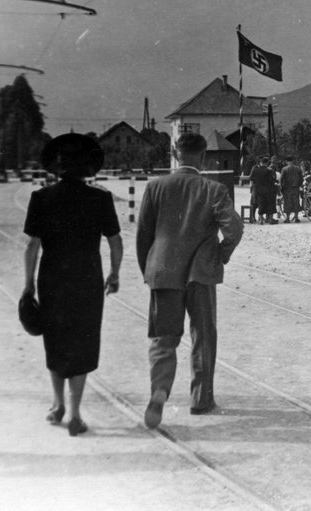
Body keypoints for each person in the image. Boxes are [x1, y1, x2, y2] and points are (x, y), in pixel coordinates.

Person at [136, 133, 243, 429]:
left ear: (174, 152)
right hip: (201, 273)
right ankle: (201, 398)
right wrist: (221, 254)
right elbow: (234, 228)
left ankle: (159, 391)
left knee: (164, 337)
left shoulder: (155, 187)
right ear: (204, 156)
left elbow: (144, 235)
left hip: (163, 272)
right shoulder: (213, 189)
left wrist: (150, 269)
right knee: (203, 335)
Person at [22, 133, 123, 436]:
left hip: (52, 278)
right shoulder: (100, 198)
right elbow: (116, 242)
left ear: (58, 166)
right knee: (83, 342)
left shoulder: (41, 198)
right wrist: (114, 274)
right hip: (87, 278)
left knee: (54, 340)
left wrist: (28, 285)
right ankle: (76, 413)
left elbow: (32, 247)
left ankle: (57, 405)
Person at [249, 155, 278, 224]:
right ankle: (270, 219)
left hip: (257, 189)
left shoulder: (255, 169)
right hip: (266, 190)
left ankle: (261, 219)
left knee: (260, 203)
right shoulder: (268, 171)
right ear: (267, 163)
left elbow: (251, 178)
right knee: (270, 203)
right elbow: (271, 181)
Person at [280, 156, 304, 223]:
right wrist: (299, 185)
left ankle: (287, 218)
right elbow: (301, 179)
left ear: (287, 162)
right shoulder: (298, 168)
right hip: (295, 188)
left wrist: (281, 187)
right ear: (292, 161)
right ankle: (296, 218)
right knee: (296, 202)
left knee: (287, 202)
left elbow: (281, 179)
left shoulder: (284, 169)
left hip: (287, 188)